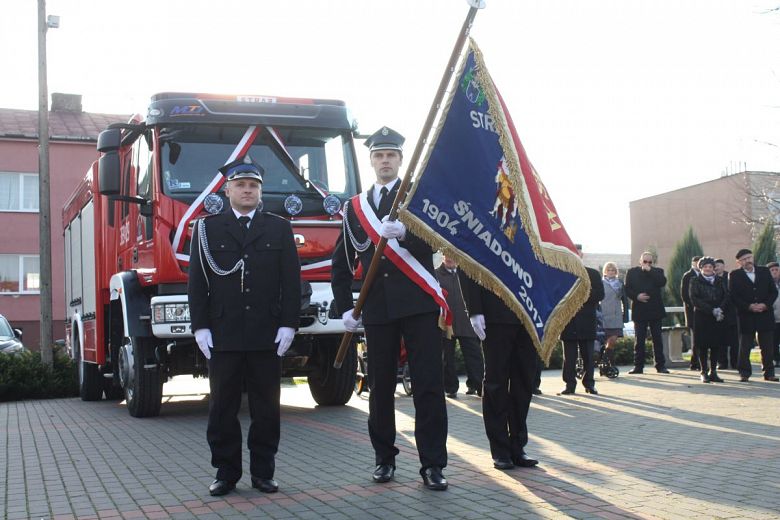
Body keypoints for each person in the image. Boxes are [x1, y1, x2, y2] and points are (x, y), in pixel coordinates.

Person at [330, 126, 449, 490]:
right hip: (378, 309)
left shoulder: (417, 199)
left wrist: (408, 235)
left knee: (428, 385)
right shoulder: (355, 207)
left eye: (391, 156)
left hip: (419, 305)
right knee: (380, 388)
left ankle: (432, 464)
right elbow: (342, 260)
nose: (385, 161)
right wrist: (345, 308)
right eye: (379, 156)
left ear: (400, 160)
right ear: (371, 162)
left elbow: (439, 240)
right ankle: (384, 459)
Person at [188, 158, 301, 496]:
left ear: (260, 191)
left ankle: (263, 472)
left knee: (266, 408)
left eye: (253, 185)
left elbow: (291, 282)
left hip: (266, 333)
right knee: (222, 407)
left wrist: (289, 325)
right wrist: (200, 326)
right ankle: (225, 473)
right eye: (241, 185)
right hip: (224, 333)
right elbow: (197, 282)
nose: (247, 190)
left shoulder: (278, 227)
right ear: (228, 190)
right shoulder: (207, 229)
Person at [463, 277, 539, 471]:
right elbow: (470, 263)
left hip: (529, 312)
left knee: (524, 382)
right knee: (496, 383)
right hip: (495, 311)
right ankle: (500, 450)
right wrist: (475, 309)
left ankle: (518, 446)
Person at [436, 255, 484, 398]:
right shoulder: (436, 274)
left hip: (466, 322)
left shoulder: (466, 273)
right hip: (446, 324)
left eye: (453, 256)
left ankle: (478, 385)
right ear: (443, 257)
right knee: (447, 358)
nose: (450, 258)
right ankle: (451, 388)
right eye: (447, 255)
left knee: (474, 355)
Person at [727, 249, 779, 382]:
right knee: (744, 346)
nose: (748, 261)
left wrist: (765, 305)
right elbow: (733, 296)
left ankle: (769, 372)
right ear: (738, 262)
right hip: (746, 315)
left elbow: (773, 292)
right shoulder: (735, 275)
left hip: (765, 314)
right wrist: (748, 306)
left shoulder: (764, 271)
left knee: (767, 345)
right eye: (744, 259)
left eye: (749, 258)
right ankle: (744, 373)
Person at [560, 265, 604, 395]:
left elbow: (600, 294)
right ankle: (569, 384)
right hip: (568, 320)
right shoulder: (562, 271)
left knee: (588, 356)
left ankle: (589, 384)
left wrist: (582, 293)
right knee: (569, 357)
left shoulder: (593, 273)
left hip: (587, 320)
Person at [624, 252, 669, 374]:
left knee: (657, 339)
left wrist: (650, 271)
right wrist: (637, 296)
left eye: (650, 262)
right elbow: (627, 289)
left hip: (655, 309)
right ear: (640, 261)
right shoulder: (632, 272)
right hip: (640, 309)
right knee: (639, 339)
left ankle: (660, 365)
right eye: (645, 262)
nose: (647, 264)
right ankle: (638, 366)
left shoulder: (658, 271)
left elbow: (662, 282)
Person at [689, 257, 728, 383]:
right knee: (703, 345)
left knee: (716, 344)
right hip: (702, 315)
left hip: (717, 316)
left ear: (713, 268)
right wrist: (710, 309)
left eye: (710, 267)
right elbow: (694, 298)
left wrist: (719, 309)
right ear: (701, 268)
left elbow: (726, 295)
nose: (708, 269)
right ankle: (703, 371)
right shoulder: (695, 280)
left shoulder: (720, 280)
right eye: (705, 267)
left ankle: (713, 371)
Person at [600, 262, 629, 366]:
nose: (611, 272)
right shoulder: (601, 283)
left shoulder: (620, 283)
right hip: (604, 314)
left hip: (616, 315)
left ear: (616, 272)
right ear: (605, 272)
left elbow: (625, 301)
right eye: (608, 270)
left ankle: (605, 359)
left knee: (612, 340)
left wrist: (625, 316)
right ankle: (609, 364)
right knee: (605, 340)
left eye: (613, 270)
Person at [714, 258, 739, 370]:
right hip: (718, 314)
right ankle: (722, 363)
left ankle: (735, 362)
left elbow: (731, 294)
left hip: (731, 313)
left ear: (723, 266)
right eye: (715, 266)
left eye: (718, 265)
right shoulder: (712, 279)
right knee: (720, 340)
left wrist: (722, 307)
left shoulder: (730, 277)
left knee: (734, 341)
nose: (716, 268)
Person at [681, 256, 702, 370]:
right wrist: (695, 305)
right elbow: (684, 295)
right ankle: (694, 363)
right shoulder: (688, 276)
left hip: (704, 313)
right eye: (696, 263)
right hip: (693, 312)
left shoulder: (705, 275)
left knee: (703, 339)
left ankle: (699, 362)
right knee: (696, 339)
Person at [769, 261, 780, 368]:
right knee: (774, 341)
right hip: (773, 317)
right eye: (772, 270)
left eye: (777, 269)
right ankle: (776, 359)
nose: (775, 272)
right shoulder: (767, 284)